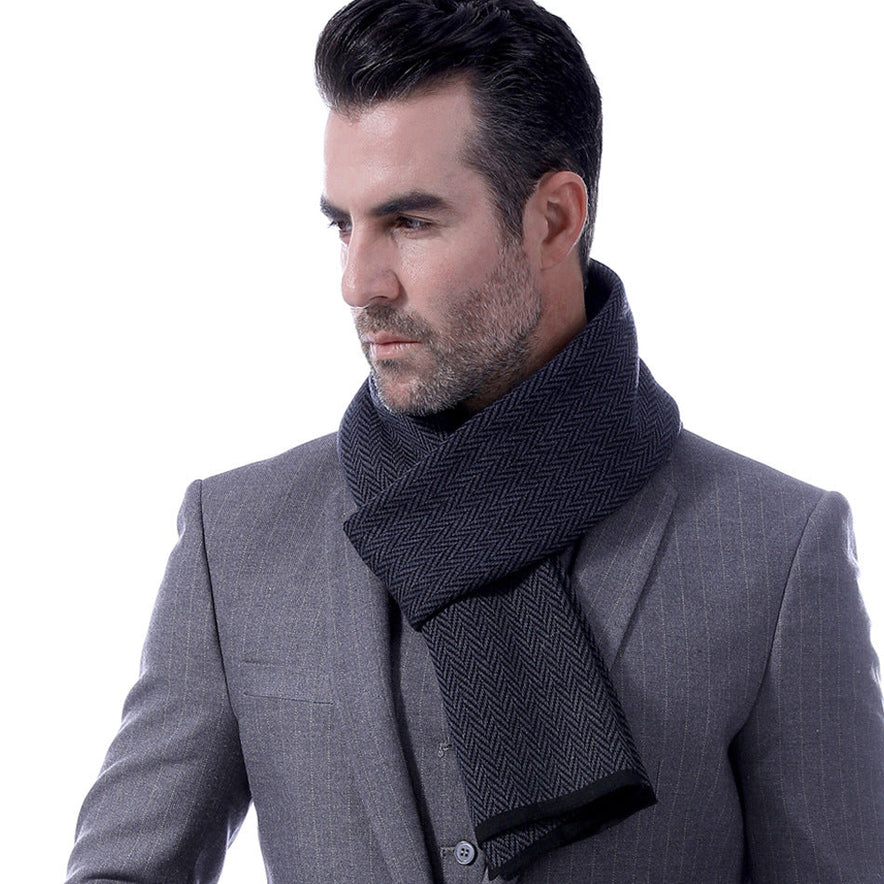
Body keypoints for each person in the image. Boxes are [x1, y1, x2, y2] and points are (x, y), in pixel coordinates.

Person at [66, 0, 884, 881]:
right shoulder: (235, 538)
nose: (358, 282)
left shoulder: (775, 549)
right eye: (343, 225)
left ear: (555, 219)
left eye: (410, 223)